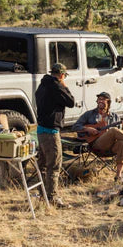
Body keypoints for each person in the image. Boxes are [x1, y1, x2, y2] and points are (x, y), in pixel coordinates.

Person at [74, 92, 123, 181]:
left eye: (103, 99)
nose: (100, 101)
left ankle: (118, 176)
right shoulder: (89, 114)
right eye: (99, 99)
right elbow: (75, 126)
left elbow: (122, 134)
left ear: (108, 102)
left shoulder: (115, 117)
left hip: (111, 147)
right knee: (113, 130)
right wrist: (87, 129)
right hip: (96, 145)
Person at [35, 63, 75, 207]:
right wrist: (63, 85)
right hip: (51, 131)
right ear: (62, 75)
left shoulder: (42, 85)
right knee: (54, 165)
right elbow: (71, 101)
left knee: (43, 164)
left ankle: (42, 194)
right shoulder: (56, 86)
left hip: (40, 130)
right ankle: (52, 198)